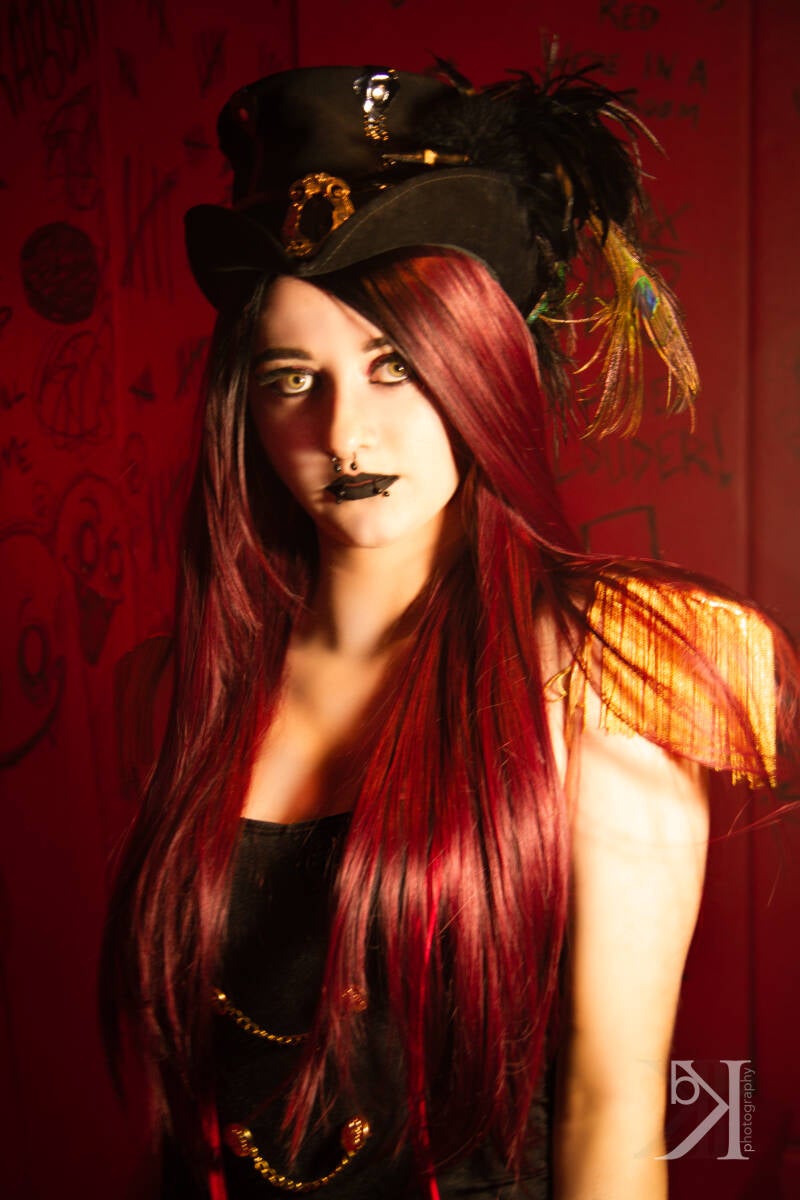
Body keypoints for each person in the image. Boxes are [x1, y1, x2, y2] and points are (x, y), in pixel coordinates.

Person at [101, 60, 798, 1200]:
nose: (345, 432)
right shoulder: (166, 691)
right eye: (293, 378)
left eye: (394, 367)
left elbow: (613, 1112)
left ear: (477, 369)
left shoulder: (608, 673)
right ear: (245, 408)